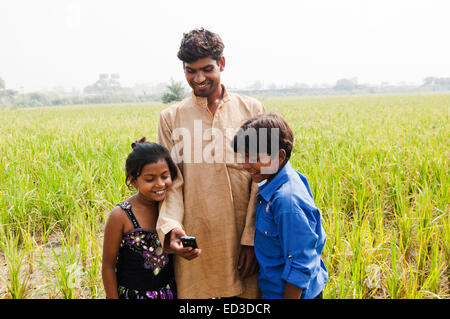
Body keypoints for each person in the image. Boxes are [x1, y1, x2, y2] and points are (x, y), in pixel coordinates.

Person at [156, 28, 265, 298]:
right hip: (195, 242)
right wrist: (171, 230)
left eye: (207, 69)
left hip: (244, 241)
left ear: (222, 64)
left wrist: (251, 241)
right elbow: (170, 183)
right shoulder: (170, 118)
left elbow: (264, 181)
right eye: (190, 71)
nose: (199, 78)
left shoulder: (254, 110)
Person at [232, 113, 328, 299]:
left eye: (253, 157)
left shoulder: (286, 201)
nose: (245, 165)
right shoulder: (275, 183)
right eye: (243, 157)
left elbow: (300, 263)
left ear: (279, 156)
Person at [102, 137, 178, 299]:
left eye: (165, 176)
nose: (160, 184)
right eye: (150, 179)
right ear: (133, 180)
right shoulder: (121, 215)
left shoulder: (171, 208)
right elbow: (108, 266)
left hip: (169, 293)